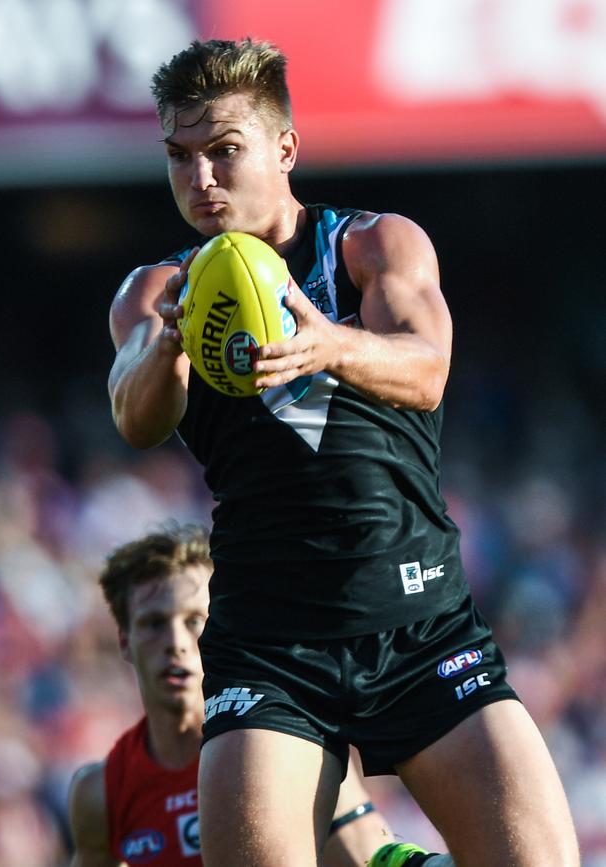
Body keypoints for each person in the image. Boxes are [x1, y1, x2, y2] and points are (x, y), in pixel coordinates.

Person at [107, 37, 580, 867]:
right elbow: (135, 416)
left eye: (224, 152)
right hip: (269, 646)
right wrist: (167, 348)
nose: (202, 180)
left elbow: (428, 369)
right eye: (179, 157)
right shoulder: (157, 291)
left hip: (421, 626)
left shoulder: (372, 247)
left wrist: (330, 346)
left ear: (285, 148)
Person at [67, 524, 398, 867]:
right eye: (154, 623)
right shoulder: (100, 793)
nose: (176, 642)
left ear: (220, 626)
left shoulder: (291, 755)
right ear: (124, 640)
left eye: (194, 620)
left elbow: (367, 855)